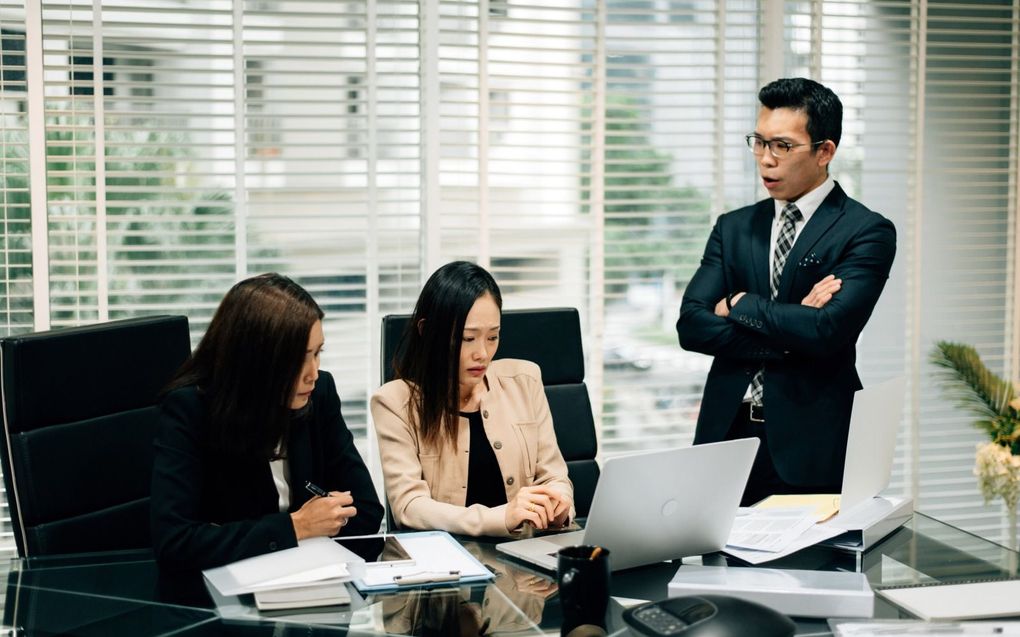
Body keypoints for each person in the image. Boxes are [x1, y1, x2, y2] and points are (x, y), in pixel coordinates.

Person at [677, 78, 897, 506]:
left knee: (809, 569)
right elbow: (691, 326)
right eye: (758, 143)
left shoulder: (866, 231)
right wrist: (794, 326)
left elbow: (828, 331)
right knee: (714, 568)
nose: (765, 160)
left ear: (824, 151)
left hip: (812, 441)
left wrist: (740, 304)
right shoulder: (734, 226)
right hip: (726, 433)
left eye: (782, 146)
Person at [151, 273, 383, 570]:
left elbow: (365, 510)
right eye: (300, 358)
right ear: (258, 360)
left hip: (314, 582)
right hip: (222, 598)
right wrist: (297, 526)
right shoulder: (190, 410)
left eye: (317, 353)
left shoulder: (319, 393)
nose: (313, 372)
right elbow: (176, 541)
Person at [371, 261, 573, 536]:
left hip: (526, 552)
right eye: (468, 338)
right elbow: (409, 505)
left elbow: (554, 476)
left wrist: (559, 504)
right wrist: (500, 516)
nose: (483, 353)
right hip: (448, 564)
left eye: (493, 337)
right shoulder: (395, 404)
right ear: (426, 331)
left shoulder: (525, 380)